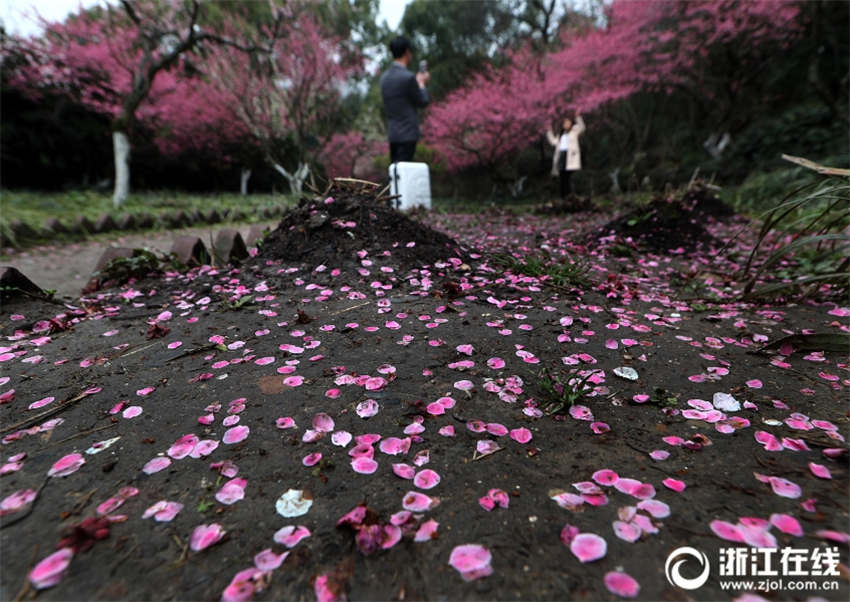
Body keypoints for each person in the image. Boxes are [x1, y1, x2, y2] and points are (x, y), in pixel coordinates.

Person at [380, 36, 430, 164]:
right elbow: (422, 101)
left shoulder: (384, 78)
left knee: (396, 173)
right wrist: (422, 84)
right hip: (408, 134)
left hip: (393, 134)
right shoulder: (408, 77)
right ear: (407, 52)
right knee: (405, 174)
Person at [546, 113, 585, 199]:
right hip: (561, 158)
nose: (566, 124)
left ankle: (570, 197)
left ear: (571, 124)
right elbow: (553, 142)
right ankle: (563, 197)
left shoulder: (575, 131)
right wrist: (549, 131)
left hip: (570, 158)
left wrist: (578, 117)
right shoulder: (561, 135)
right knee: (562, 179)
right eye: (565, 123)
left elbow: (582, 128)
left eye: (568, 123)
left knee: (569, 178)